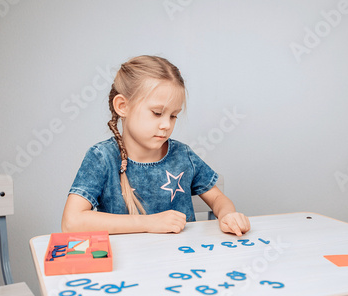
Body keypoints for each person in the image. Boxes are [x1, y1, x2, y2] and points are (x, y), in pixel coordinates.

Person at [61, 55, 250, 236]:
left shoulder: (183, 155)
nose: (166, 125)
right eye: (157, 113)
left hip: (183, 261)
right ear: (122, 106)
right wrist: (149, 223)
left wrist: (227, 214)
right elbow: (71, 223)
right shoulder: (102, 158)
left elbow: (217, 198)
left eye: (173, 115)